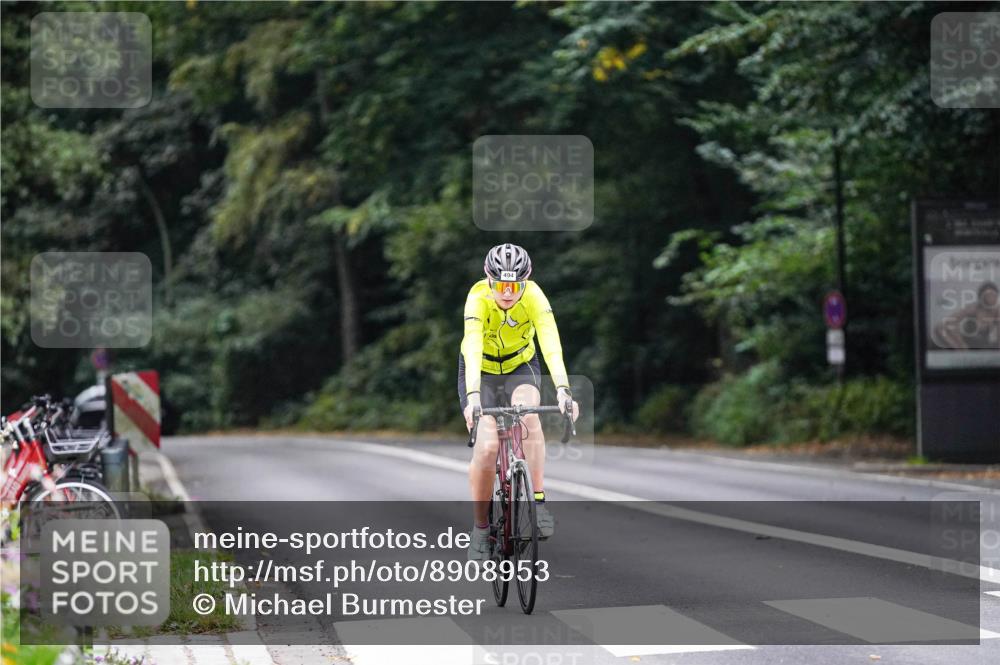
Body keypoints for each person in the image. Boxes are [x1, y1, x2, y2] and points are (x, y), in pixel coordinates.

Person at [459, 243, 578, 561]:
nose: (508, 292)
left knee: (529, 415)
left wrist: (564, 390)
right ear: (489, 280)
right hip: (480, 373)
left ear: (525, 282)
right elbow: (471, 346)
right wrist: (472, 397)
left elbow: (550, 342)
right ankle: (481, 529)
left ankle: (538, 504)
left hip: (519, 366)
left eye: (515, 285)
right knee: (486, 448)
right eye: (501, 285)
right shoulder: (477, 297)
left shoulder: (535, 296)